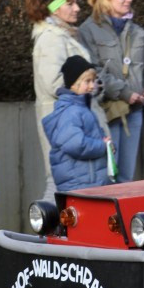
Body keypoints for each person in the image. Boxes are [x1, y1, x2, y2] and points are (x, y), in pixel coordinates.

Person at [79, 0, 144, 183]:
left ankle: (121, 216)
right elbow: (93, 71)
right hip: (105, 112)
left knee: (126, 178)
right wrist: (125, 92)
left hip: (133, 113)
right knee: (107, 176)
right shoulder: (87, 31)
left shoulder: (139, 33)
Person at [26, 0, 107, 199]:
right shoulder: (51, 38)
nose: (77, 8)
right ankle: (45, 226)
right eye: (70, 4)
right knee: (59, 180)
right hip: (63, 119)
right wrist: (90, 85)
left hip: (72, 117)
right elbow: (54, 82)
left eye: (77, 3)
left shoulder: (66, 35)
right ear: (54, 8)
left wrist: (93, 85)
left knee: (73, 180)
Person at [42, 55, 112, 191]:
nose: (92, 85)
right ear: (73, 84)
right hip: (80, 184)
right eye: (88, 81)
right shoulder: (71, 112)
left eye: (93, 80)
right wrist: (103, 146)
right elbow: (76, 145)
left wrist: (106, 143)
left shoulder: (82, 108)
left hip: (88, 182)